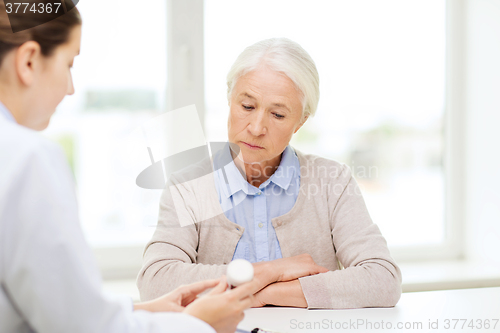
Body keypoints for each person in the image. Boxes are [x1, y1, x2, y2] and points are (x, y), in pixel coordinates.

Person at [0, 2, 257, 333]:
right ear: (29, 61)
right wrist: (198, 324)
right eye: (69, 64)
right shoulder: (27, 158)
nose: (70, 87)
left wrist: (144, 310)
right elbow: (79, 328)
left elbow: (52, 308)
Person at [137, 38, 403, 309]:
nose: (256, 127)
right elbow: (155, 283)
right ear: (230, 100)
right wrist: (272, 271)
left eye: (277, 115)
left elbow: (383, 280)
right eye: (247, 107)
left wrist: (257, 293)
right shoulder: (188, 186)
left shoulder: (332, 181)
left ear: (300, 123)